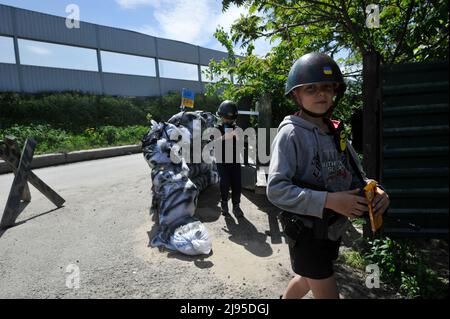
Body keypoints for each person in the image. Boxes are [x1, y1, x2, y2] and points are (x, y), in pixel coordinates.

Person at [267, 52, 390, 299]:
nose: (320, 93)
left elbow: (355, 174)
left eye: (326, 87)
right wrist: (329, 200)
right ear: (296, 95)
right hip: (306, 233)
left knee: (305, 279)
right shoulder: (291, 134)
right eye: (310, 88)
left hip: (332, 229)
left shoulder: (335, 131)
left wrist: (375, 190)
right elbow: (276, 189)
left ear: (335, 92)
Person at [215, 100, 244, 218]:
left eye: (230, 120)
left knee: (237, 184)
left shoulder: (237, 129)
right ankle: (224, 203)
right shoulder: (217, 128)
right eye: (225, 119)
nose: (228, 121)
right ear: (221, 117)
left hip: (234, 160)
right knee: (225, 182)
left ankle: (236, 206)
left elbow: (242, 146)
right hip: (221, 161)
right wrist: (223, 137)